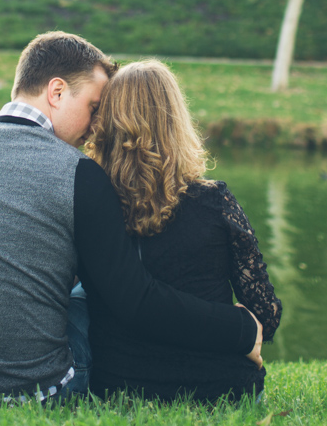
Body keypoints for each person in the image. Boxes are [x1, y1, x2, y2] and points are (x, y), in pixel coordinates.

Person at [0, 31, 262, 403]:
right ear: (56, 92)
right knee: (88, 295)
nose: (95, 125)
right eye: (93, 107)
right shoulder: (78, 172)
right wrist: (240, 327)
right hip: (29, 390)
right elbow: (132, 298)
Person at [83, 59, 282, 403]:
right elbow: (266, 313)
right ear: (175, 119)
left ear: (108, 124)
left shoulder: (92, 204)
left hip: (121, 385)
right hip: (221, 386)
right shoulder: (214, 201)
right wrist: (237, 323)